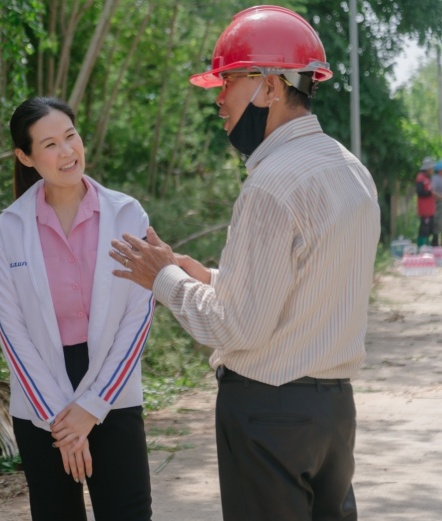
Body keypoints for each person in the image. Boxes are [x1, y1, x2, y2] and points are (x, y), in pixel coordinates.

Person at [110, 6, 380, 521]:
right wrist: (210, 278)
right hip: (332, 416)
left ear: (270, 87)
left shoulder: (272, 185)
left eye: (229, 82)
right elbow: (306, 291)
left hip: (268, 416)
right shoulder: (351, 172)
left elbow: (236, 326)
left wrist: (162, 278)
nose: (219, 99)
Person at [0, 97, 154, 521]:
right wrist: (61, 422)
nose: (67, 152)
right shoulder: (10, 227)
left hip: (112, 391)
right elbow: (11, 330)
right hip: (40, 396)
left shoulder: (126, 214)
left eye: (70, 136)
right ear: (25, 156)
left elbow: (138, 318)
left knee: (128, 512)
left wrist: (92, 407)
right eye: (50, 145)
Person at [421, 157, 439, 247]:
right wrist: (431, 193)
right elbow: (420, 192)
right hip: (425, 210)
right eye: (431, 168)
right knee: (424, 230)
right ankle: (422, 247)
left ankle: (428, 247)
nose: (432, 170)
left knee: (429, 230)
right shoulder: (420, 178)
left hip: (430, 210)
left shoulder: (427, 178)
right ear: (427, 168)